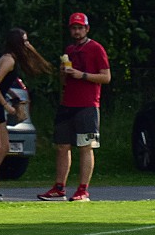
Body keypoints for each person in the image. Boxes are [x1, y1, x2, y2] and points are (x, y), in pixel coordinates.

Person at [38, 12, 111, 202]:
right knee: (62, 146)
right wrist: (64, 73)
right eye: (74, 28)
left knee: (85, 146)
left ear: (87, 29)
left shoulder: (96, 49)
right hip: (67, 103)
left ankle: (83, 189)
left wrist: (82, 75)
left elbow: (106, 77)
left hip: (87, 105)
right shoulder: (69, 50)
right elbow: (64, 81)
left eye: (80, 28)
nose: (77, 31)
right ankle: (59, 187)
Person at [0, 28, 53, 200]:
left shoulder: (12, 59)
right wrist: (6, 105)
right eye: (24, 41)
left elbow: (0, 83)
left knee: (5, 147)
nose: (27, 43)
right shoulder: (9, 60)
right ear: (16, 42)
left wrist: (11, 95)